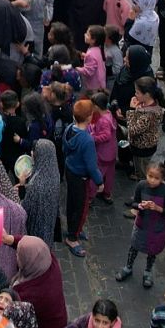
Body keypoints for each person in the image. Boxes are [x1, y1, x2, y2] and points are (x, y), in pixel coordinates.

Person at [117, 160, 165, 287]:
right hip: (141, 224)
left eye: (156, 178)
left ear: (162, 179)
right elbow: (134, 202)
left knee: (152, 251)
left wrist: (157, 208)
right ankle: (128, 267)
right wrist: (139, 206)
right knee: (134, 246)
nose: (152, 180)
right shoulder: (141, 185)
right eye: (150, 176)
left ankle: (148, 271)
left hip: (157, 227)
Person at [63, 98, 103, 256]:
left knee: (71, 202)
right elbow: (91, 166)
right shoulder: (87, 140)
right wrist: (99, 181)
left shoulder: (69, 129)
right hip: (80, 176)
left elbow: (65, 150)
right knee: (80, 208)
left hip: (69, 170)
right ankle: (72, 237)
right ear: (89, 117)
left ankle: (72, 229)